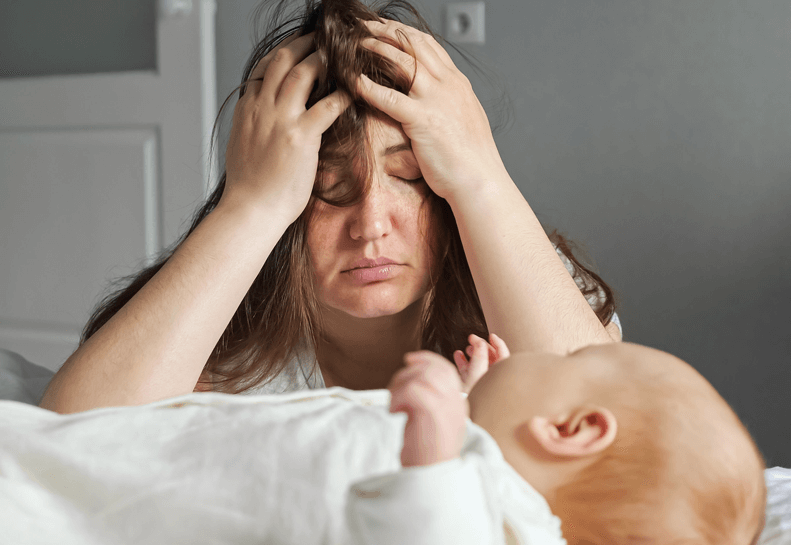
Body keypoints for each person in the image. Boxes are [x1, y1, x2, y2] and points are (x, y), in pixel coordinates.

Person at [39, 0, 621, 414]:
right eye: (329, 189)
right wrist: (251, 204)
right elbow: (73, 430)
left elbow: (610, 421)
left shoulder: (525, 279)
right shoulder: (231, 339)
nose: (371, 227)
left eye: (409, 177)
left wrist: (483, 175)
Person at [345, 335, 767, 545]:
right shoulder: (496, 492)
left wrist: (433, 465)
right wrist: (474, 404)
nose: (549, 350)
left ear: (570, 429)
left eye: (571, 355)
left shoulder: (517, 534)